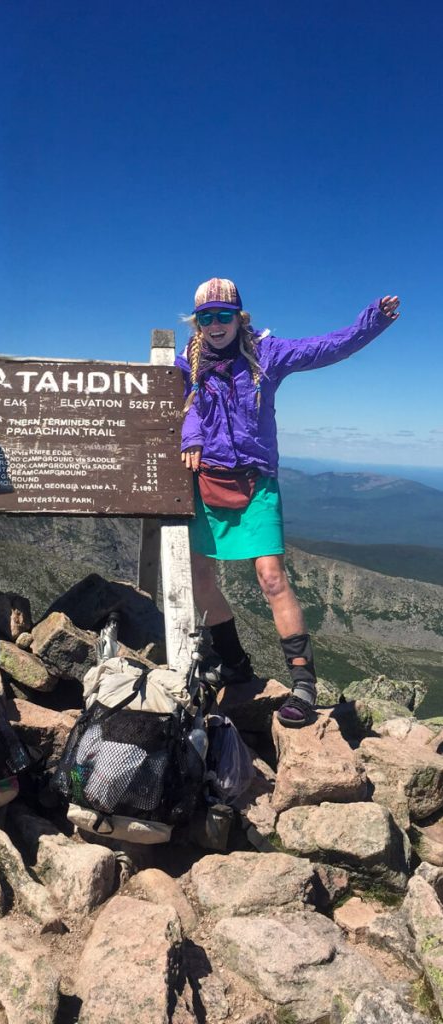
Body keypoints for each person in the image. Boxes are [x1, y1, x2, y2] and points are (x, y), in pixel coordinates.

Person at [177, 278, 400, 727]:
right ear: (196, 323)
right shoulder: (188, 362)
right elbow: (181, 408)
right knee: (200, 578)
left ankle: (302, 684)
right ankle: (235, 662)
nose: (216, 325)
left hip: (256, 482)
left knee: (271, 577)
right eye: (206, 317)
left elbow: (325, 347)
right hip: (204, 482)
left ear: (241, 318)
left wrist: (371, 322)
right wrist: (192, 434)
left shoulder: (267, 355)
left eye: (224, 315)